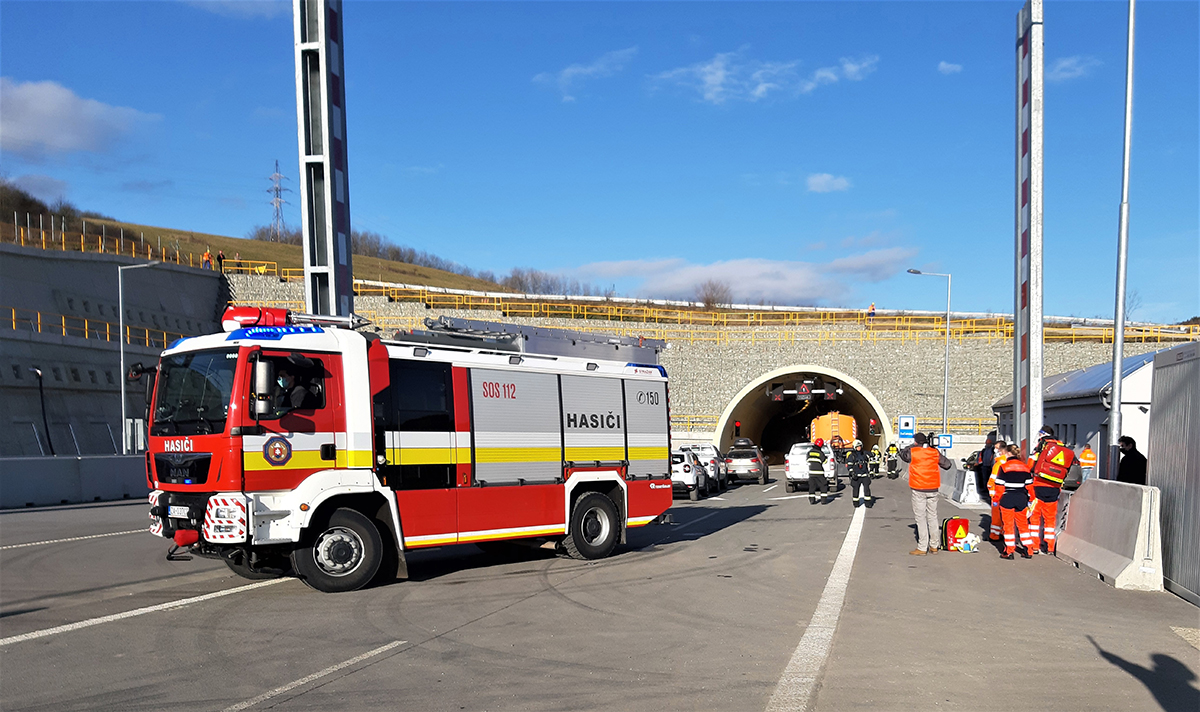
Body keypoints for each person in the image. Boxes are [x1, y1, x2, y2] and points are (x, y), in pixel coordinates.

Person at [1027, 426, 1079, 555]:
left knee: (1035, 518)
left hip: (1038, 485)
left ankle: (1035, 545)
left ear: (1042, 434)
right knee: (1050, 518)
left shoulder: (1042, 446)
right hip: (1055, 487)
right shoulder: (1063, 448)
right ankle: (1050, 546)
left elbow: (1030, 465)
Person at [899, 433, 953, 555]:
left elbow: (903, 454)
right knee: (933, 516)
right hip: (933, 488)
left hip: (919, 488)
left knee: (920, 518)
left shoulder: (913, 451)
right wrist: (932, 448)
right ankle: (934, 545)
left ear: (916, 442)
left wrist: (913, 445)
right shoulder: (934, 452)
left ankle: (922, 547)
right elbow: (948, 465)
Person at [994, 444, 1035, 559]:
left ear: (1008, 454)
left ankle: (1009, 551)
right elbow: (1030, 486)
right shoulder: (1025, 467)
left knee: (1008, 525)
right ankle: (1028, 550)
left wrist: (996, 500)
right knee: (1023, 525)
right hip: (1021, 498)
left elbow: (999, 487)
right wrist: (1031, 500)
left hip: (1008, 497)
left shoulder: (1004, 467)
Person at [987, 440, 1009, 541]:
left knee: (996, 515)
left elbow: (993, 479)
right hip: (1007, 492)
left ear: (1001, 450)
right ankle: (1003, 532)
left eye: (996, 448)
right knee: (1005, 515)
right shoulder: (1008, 461)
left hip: (996, 493)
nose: (995, 450)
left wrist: (989, 487)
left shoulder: (999, 463)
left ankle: (994, 535)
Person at [846, 440, 873, 507]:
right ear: (855, 447)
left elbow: (872, 455)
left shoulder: (864, 454)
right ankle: (856, 503)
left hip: (864, 475)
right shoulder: (852, 456)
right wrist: (852, 472)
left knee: (867, 489)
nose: (859, 448)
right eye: (857, 446)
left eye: (860, 446)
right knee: (856, 489)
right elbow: (849, 465)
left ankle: (868, 503)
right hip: (856, 475)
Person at [807, 438, 830, 505]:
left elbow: (807, 460)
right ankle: (823, 500)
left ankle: (812, 500)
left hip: (811, 473)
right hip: (819, 473)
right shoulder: (820, 453)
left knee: (812, 487)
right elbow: (824, 461)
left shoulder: (809, 452)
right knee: (823, 486)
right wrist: (826, 458)